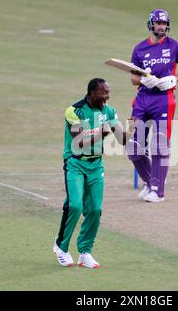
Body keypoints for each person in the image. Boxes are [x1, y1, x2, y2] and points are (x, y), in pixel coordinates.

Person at [53, 78, 136, 268]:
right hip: (75, 162)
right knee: (75, 206)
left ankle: (85, 252)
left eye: (108, 92)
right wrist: (101, 132)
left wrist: (132, 130)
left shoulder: (109, 110)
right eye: (103, 93)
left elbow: (122, 140)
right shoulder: (74, 111)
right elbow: (79, 140)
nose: (107, 96)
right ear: (91, 93)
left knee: (95, 210)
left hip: (96, 165)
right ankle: (61, 246)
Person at [127, 9, 178, 203]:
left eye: (164, 23)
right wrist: (142, 80)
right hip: (142, 100)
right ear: (151, 24)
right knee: (134, 147)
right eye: (158, 23)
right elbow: (132, 77)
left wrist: (174, 79)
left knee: (160, 144)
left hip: (164, 99)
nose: (162, 27)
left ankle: (158, 190)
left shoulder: (174, 46)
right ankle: (149, 182)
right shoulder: (139, 49)